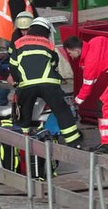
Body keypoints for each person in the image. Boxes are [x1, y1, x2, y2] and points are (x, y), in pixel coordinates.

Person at [9, 17, 83, 149]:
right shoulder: (48, 43)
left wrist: (18, 82)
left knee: (24, 113)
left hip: (26, 85)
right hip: (49, 84)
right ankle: (74, 143)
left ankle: (22, 145)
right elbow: (54, 63)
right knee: (62, 111)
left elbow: (13, 66)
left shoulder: (18, 43)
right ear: (45, 30)